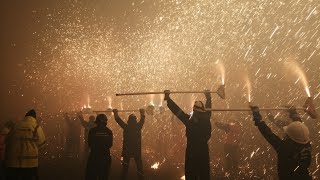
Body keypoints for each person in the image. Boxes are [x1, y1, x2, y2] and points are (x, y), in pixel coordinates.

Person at [251, 106, 312, 180]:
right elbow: (298, 127)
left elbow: (268, 133)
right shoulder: (306, 143)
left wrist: (258, 119)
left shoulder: (285, 148)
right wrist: (293, 113)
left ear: (289, 137)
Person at [164, 90, 212, 180]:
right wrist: (208, 97)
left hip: (191, 151)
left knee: (191, 174)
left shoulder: (189, 121)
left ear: (194, 110)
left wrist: (168, 100)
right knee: (204, 174)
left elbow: (178, 112)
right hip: (203, 151)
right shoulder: (206, 119)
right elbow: (209, 109)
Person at [5, 109, 46, 180]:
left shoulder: (15, 126)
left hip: (12, 163)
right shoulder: (36, 127)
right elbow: (42, 145)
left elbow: (7, 141)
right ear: (34, 117)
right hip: (30, 164)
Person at [113, 108, 145, 180]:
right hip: (136, 150)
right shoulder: (138, 127)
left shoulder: (126, 127)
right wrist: (142, 112)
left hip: (127, 150)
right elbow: (142, 120)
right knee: (139, 169)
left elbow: (118, 120)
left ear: (129, 120)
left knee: (125, 169)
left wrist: (115, 113)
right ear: (135, 120)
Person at [85, 114, 113, 180]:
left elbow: (89, 144)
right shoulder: (109, 131)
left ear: (97, 122)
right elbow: (110, 145)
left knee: (91, 176)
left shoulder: (92, 131)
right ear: (105, 122)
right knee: (103, 176)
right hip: (105, 157)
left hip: (94, 156)